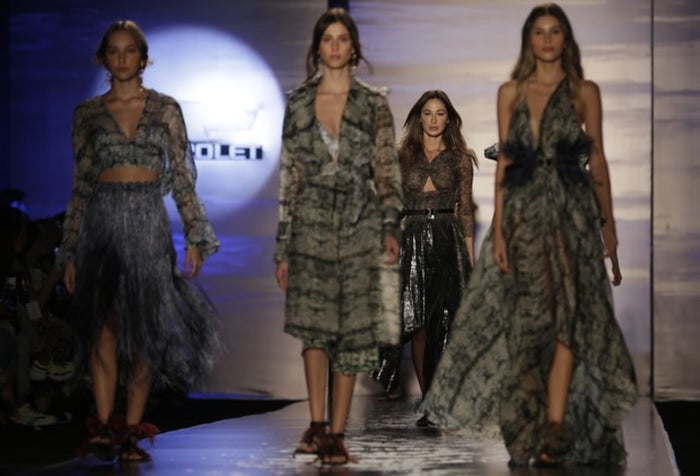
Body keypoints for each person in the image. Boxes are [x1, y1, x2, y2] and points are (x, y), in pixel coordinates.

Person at [421, 3, 637, 468]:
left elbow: (598, 161)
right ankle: (534, 422)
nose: (547, 39)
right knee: (528, 325)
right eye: (539, 31)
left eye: (555, 31)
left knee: (569, 315)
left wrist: (610, 230)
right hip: (523, 216)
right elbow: (507, 164)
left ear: (566, 38)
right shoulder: (511, 93)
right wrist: (500, 230)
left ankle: (556, 427)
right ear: (528, 39)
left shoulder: (584, 92)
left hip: (571, 213)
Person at [59, 20, 220, 463]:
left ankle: (132, 430)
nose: (122, 58)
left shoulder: (166, 109)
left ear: (144, 58)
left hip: (148, 220)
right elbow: (81, 184)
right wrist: (68, 250)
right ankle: (104, 427)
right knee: (104, 328)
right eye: (114, 51)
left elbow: (183, 177)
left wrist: (195, 236)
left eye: (130, 50)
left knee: (146, 330)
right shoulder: (87, 114)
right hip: (102, 222)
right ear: (103, 58)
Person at [273, 7, 403, 466]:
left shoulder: (373, 104)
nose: (334, 46)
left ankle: (338, 432)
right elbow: (289, 178)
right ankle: (316, 424)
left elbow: (386, 171)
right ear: (317, 48)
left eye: (342, 39)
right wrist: (283, 247)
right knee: (313, 329)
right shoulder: (298, 103)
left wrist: (390, 226)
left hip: (358, 223)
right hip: (309, 224)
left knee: (351, 332)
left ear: (354, 49)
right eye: (326, 39)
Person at [373, 91, 477, 427]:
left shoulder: (460, 159)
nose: (434, 119)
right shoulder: (402, 157)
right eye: (428, 113)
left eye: (440, 113)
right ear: (419, 117)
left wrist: (470, 260)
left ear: (449, 119)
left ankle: (441, 399)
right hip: (412, 241)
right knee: (416, 325)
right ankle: (430, 400)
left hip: (448, 242)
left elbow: (465, 212)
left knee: (442, 324)